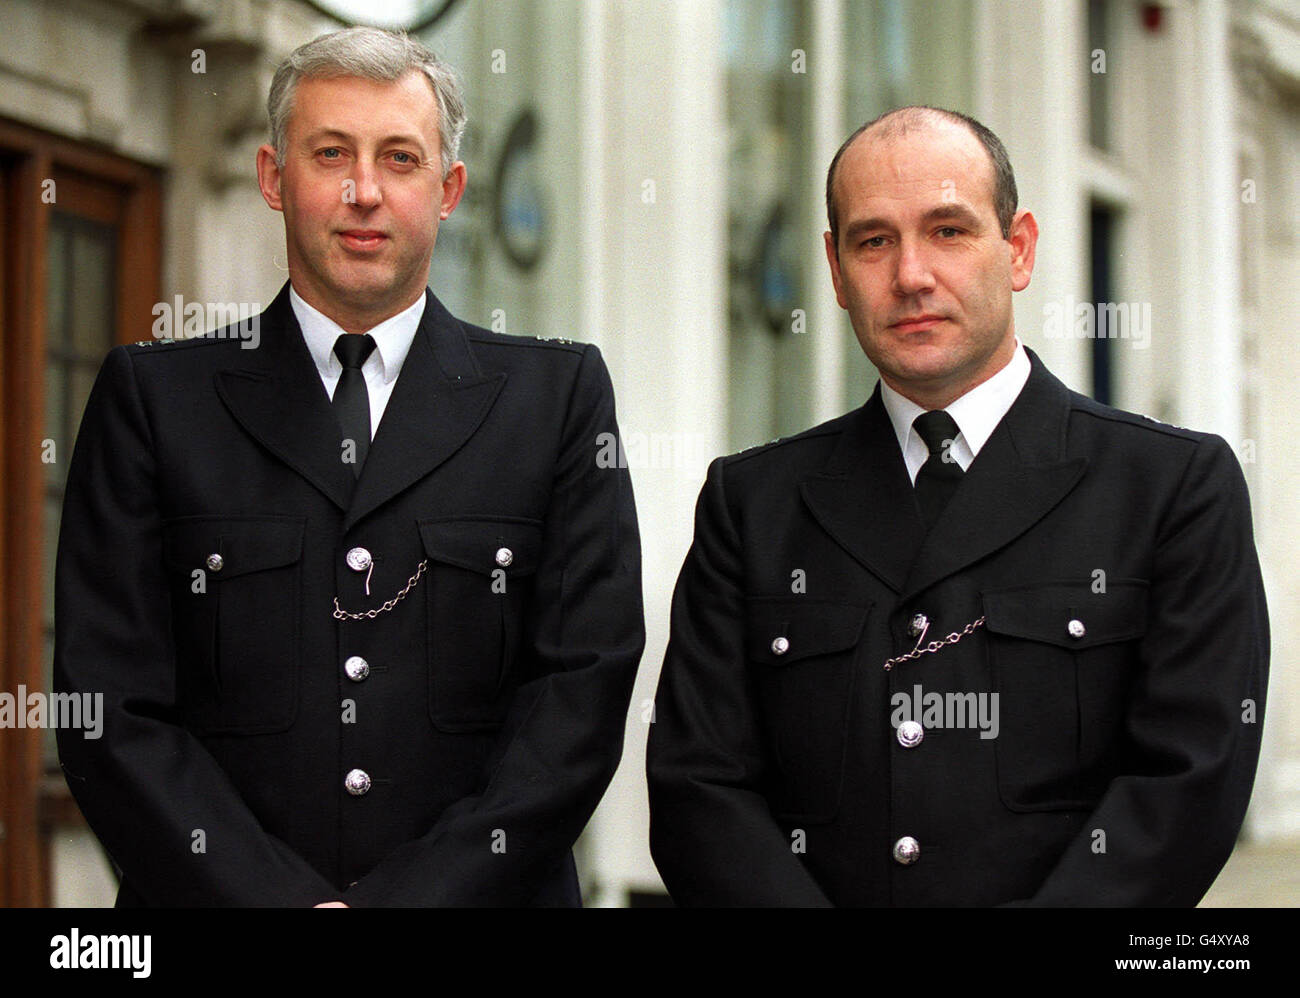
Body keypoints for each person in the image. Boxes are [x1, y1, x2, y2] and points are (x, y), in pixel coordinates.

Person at [55, 27, 644, 907]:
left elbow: (578, 702)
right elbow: (112, 715)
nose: (363, 192)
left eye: (399, 159)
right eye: (331, 153)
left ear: (448, 190)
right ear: (272, 177)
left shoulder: (555, 400)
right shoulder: (154, 401)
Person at [646, 106, 1268, 906]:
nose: (911, 275)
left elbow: (1186, 785)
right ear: (835, 272)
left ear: (1018, 250)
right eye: (874, 241)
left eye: (948, 231)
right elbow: (700, 791)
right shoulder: (752, 506)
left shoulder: (1171, 489)